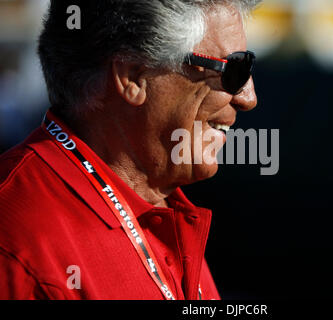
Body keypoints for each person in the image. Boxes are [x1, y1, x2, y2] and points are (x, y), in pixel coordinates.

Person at [0, 0, 259, 300]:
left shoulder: (166, 214)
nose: (249, 98)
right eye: (235, 71)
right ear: (133, 77)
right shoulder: (20, 245)